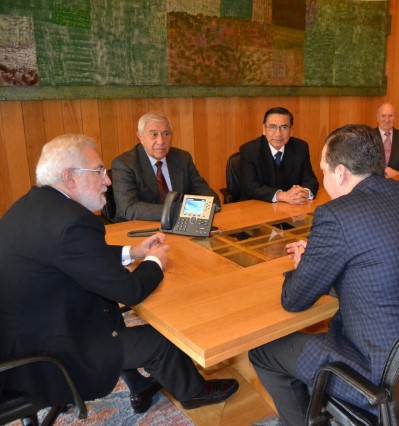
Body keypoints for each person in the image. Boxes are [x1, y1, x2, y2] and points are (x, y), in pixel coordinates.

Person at [0, 135, 238, 415]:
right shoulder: (72, 222)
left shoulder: (33, 205)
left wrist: (132, 251)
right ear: (69, 177)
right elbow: (131, 291)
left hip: (19, 337)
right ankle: (194, 393)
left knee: (108, 310)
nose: (107, 180)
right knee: (159, 340)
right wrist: (154, 261)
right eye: (99, 171)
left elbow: (76, 257)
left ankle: (138, 385)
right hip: (44, 358)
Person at [249, 124, 399, 425]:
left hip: (383, 376)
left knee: (264, 350)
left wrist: (307, 264)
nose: (323, 179)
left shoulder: (335, 215)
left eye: (324, 171)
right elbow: (372, 253)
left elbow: (294, 301)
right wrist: (322, 254)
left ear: (341, 172)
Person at [111, 111, 220, 221]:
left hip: (180, 225)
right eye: (154, 134)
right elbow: (130, 209)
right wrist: (180, 210)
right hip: (140, 229)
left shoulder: (182, 158)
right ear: (140, 136)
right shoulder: (124, 164)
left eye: (166, 134)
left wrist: (206, 206)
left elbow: (206, 195)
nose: (161, 141)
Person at [239, 106, 319, 204]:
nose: (278, 134)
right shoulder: (249, 150)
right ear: (264, 129)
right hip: (258, 208)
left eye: (284, 127)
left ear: (291, 131)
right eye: (272, 127)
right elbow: (249, 186)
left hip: (292, 208)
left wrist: (305, 193)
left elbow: (310, 179)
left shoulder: (300, 147)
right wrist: (281, 195)